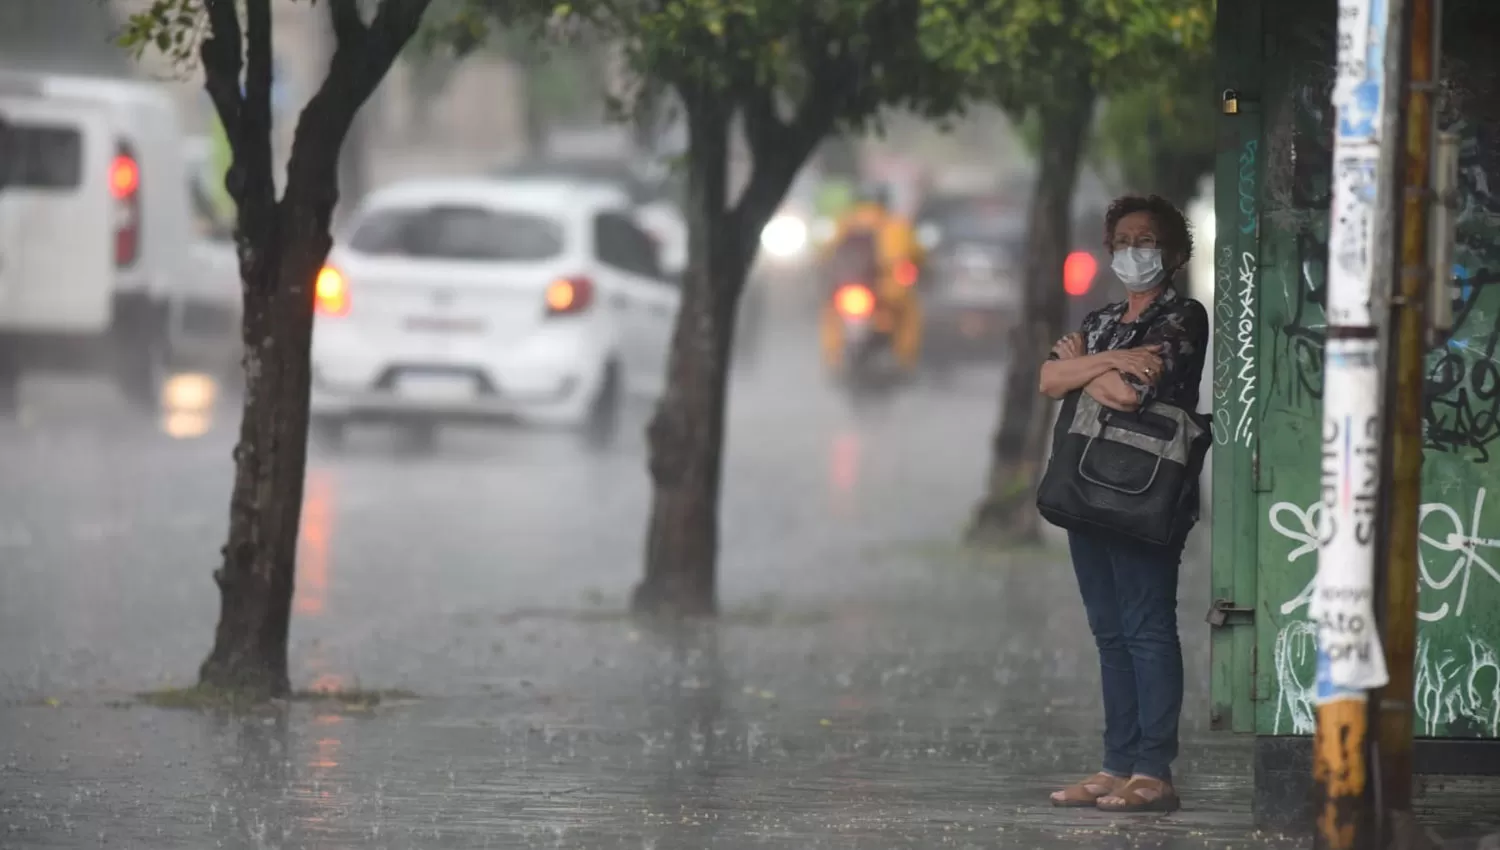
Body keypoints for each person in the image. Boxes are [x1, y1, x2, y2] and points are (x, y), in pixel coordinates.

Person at [1037, 195, 1209, 814]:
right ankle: (1115, 765)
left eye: (1147, 241)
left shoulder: (1184, 317)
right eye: (1123, 242)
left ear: (1175, 253)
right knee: (1109, 631)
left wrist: (1083, 365)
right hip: (1087, 490)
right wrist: (1100, 361)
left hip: (1147, 496)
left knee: (1147, 626)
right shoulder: (1106, 320)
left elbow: (1129, 395)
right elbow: (1049, 380)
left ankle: (1153, 769)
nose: (1134, 252)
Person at [819, 182, 926, 370]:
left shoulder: (843, 223)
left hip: (847, 288)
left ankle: (833, 359)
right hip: (888, 291)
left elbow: (824, 254)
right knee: (909, 313)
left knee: (831, 314)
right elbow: (917, 255)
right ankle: (904, 359)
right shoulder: (897, 225)